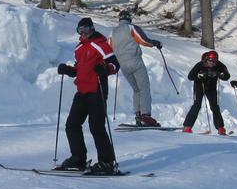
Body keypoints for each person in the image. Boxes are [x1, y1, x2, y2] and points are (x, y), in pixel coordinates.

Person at [57, 17, 121, 174]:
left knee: (96, 127)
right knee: (72, 124)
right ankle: (78, 158)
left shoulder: (100, 44)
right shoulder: (79, 48)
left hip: (97, 90)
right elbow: (79, 69)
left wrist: (105, 69)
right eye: (80, 30)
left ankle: (107, 162)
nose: (83, 33)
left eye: (86, 29)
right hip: (82, 91)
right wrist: (67, 70)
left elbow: (114, 64)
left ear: (92, 29)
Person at [109, 10, 163, 127]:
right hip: (135, 62)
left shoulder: (113, 32)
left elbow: (110, 48)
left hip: (123, 66)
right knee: (144, 88)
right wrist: (156, 43)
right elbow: (143, 41)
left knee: (136, 90)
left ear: (119, 19)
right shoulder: (131, 28)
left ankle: (138, 116)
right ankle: (146, 116)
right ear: (129, 18)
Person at [182, 50, 230, 135]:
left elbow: (227, 75)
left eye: (214, 61)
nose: (212, 63)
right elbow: (190, 76)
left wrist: (221, 75)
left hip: (211, 88)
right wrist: (198, 75)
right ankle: (187, 126)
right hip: (199, 86)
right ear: (207, 59)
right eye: (210, 61)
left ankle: (220, 128)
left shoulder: (219, 65)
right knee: (197, 105)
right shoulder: (200, 65)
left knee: (215, 107)